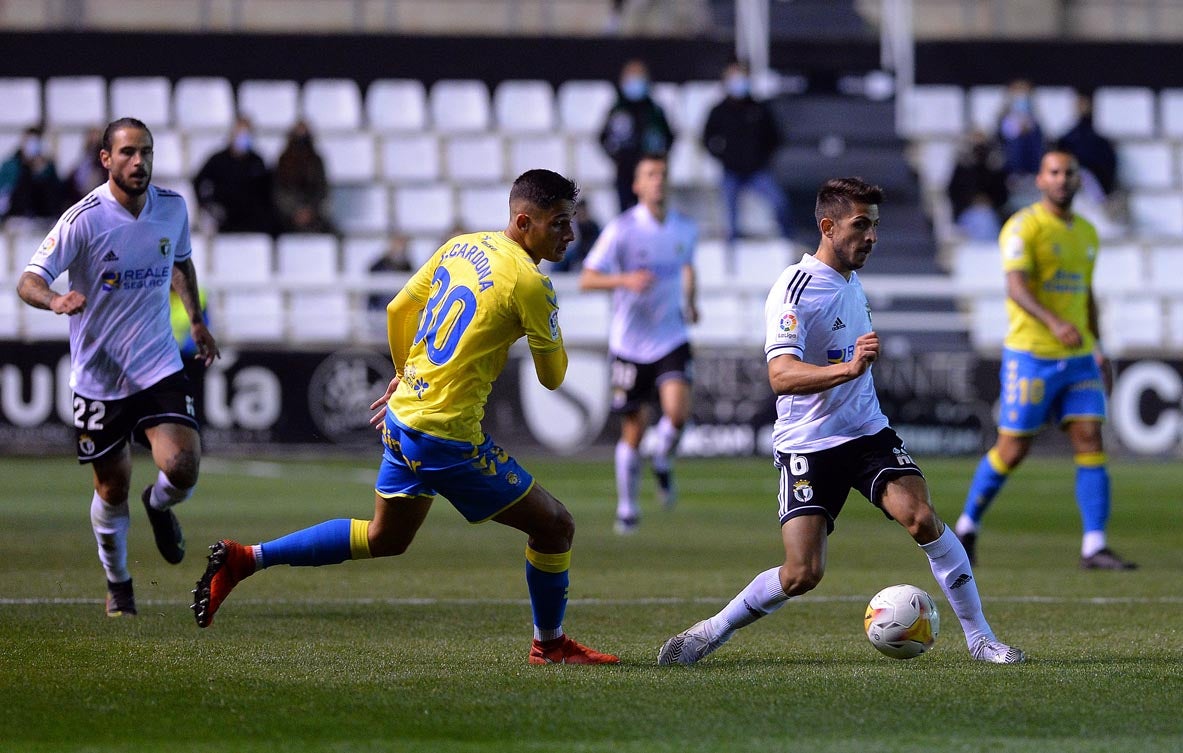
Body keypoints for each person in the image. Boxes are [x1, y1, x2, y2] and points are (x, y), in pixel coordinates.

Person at [193, 169, 619, 666]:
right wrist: (548, 325)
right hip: (444, 435)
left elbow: (398, 309)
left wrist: (403, 373)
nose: (571, 234)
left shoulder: (461, 246)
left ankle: (246, 558)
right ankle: (549, 645)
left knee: (386, 537)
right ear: (524, 222)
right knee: (555, 526)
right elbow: (552, 377)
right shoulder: (531, 284)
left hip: (403, 418)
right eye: (560, 223)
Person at [656, 177, 1024, 666]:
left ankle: (981, 640)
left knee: (922, 518)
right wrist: (847, 370)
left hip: (866, 432)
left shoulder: (851, 279)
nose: (872, 236)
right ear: (828, 227)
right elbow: (780, 375)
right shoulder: (795, 289)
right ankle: (711, 630)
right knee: (802, 573)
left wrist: (853, 372)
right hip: (808, 443)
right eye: (861, 226)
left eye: (875, 226)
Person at [16, 117, 219, 617]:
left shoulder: (172, 207)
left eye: (145, 152)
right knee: (112, 489)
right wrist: (55, 300)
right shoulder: (83, 219)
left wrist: (195, 320)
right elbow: (28, 280)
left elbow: (181, 263)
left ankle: (159, 504)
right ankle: (119, 582)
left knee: (184, 466)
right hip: (100, 377)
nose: (138, 161)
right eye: (128, 152)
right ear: (106, 159)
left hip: (157, 363)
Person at [954, 149, 1135, 571]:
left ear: (1077, 180)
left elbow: (1086, 295)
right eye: (1054, 172)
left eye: (1069, 173)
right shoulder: (1023, 226)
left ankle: (1094, 545)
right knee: (1013, 449)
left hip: (1078, 356)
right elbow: (1016, 287)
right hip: (1032, 354)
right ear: (1040, 179)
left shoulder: (1087, 232)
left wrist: (1097, 344)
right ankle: (966, 526)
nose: (1061, 179)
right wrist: (1055, 323)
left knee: (1090, 437)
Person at [579, 154, 697, 535]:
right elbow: (587, 278)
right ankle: (627, 507)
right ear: (637, 185)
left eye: (662, 174)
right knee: (634, 429)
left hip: (671, 336)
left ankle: (662, 458)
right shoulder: (622, 229)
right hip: (630, 343)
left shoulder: (684, 228)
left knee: (676, 413)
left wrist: (691, 301)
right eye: (650, 175)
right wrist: (625, 280)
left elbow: (687, 266)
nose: (658, 180)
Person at [702, 60, 793, 244]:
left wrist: (762, 157)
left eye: (742, 77)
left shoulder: (759, 108)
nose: (739, 83)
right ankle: (730, 253)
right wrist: (723, 157)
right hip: (731, 171)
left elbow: (775, 137)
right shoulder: (719, 111)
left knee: (779, 203)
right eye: (734, 78)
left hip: (757, 171)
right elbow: (707, 138)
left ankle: (787, 242)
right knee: (729, 217)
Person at [599, 59, 675, 212]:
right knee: (626, 214)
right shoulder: (618, 110)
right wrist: (617, 158)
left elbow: (669, 137)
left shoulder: (654, 110)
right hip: (625, 172)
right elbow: (603, 137)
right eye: (632, 77)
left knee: (650, 213)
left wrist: (659, 159)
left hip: (649, 173)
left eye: (639, 77)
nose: (636, 83)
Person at [193, 116, 273, 234]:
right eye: (240, 134)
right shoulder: (218, 159)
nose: (243, 138)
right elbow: (199, 181)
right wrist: (207, 204)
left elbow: (266, 190)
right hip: (224, 219)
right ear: (232, 135)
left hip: (252, 220)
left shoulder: (257, 161)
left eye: (247, 134)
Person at [946, 129, 1009, 241]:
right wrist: (971, 201)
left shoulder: (993, 167)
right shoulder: (962, 167)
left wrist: (988, 201)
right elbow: (953, 191)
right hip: (967, 212)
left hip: (990, 212)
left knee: (987, 222)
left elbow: (1002, 193)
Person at [273, 120, 334, 234]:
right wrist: (295, 210)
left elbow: (322, 190)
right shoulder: (284, 161)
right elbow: (280, 192)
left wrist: (310, 211)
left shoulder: (316, 161)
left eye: (304, 136)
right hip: (288, 217)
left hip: (314, 216)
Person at [0, 125, 68, 224]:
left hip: (43, 217)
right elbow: (5, 192)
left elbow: (58, 193)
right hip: (15, 217)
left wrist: (44, 170)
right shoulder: (11, 165)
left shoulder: (47, 167)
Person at [1057, 91, 1118, 198]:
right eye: (1080, 103)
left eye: (1085, 103)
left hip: (1093, 194)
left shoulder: (1101, 143)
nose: (1083, 107)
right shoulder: (1066, 140)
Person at [549, 199, 601, 273]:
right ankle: (556, 273)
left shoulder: (593, 225)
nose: (581, 214)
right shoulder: (573, 224)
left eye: (583, 211)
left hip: (590, 249)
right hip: (577, 249)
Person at [66, 127, 108, 205]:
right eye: (90, 136)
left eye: (94, 136)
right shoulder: (85, 156)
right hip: (80, 194)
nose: (92, 139)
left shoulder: (101, 159)